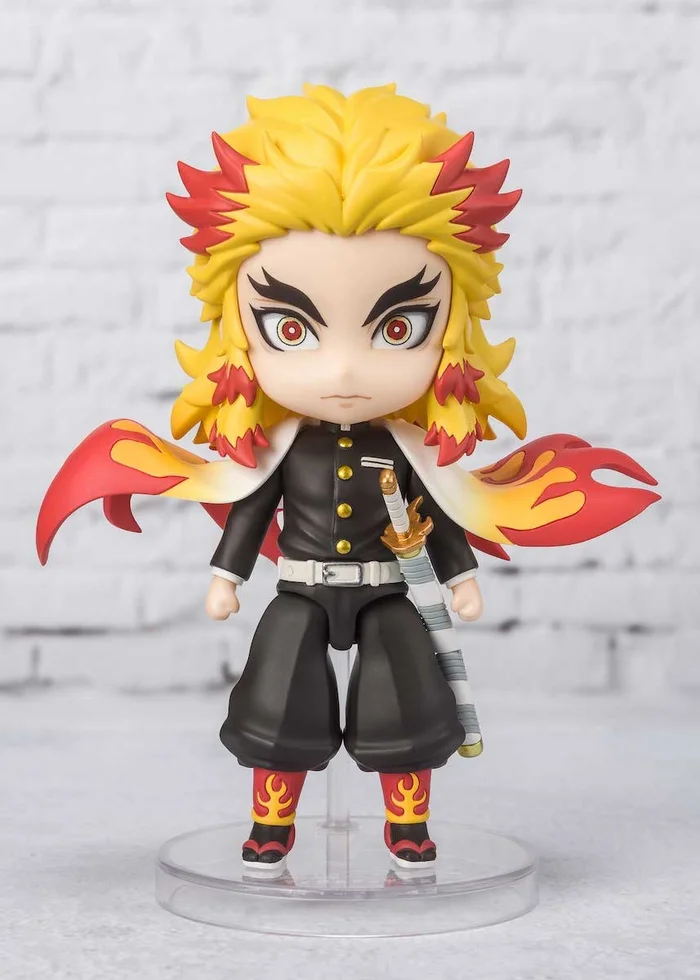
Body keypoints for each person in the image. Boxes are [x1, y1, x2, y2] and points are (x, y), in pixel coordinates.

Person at [37, 84, 660, 872]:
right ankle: (272, 824)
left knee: (405, 704)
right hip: (300, 588)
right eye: (289, 327)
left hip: (389, 589)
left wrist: (461, 576)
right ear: (236, 332)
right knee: (281, 703)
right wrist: (227, 576)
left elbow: (441, 512)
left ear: (454, 330)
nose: (342, 370)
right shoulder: (285, 447)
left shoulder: (408, 448)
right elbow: (251, 507)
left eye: (398, 327)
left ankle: (407, 823)